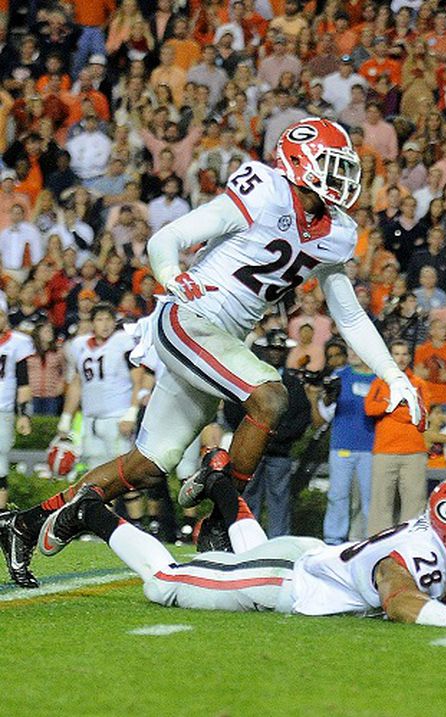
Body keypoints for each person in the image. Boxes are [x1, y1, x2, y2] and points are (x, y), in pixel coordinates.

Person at [1, 118, 424, 589]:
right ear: (298, 162)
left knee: (148, 464)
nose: (343, 177)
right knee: (271, 397)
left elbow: (348, 315)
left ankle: (24, 523)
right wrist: (170, 274)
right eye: (332, 164)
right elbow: (168, 238)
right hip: (190, 318)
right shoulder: (264, 189)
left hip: (219, 342)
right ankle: (221, 516)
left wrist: (392, 372)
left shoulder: (337, 232)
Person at [62, 472, 446, 628]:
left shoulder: (436, 547)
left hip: (305, 558)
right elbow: (401, 601)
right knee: (163, 583)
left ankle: (223, 484)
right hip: (285, 578)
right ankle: (92, 514)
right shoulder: (419, 555)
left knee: (255, 550)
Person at [226, 329, 317, 537]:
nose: (275, 353)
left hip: (279, 451)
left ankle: (279, 541)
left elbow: (302, 417)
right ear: (265, 351)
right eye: (272, 349)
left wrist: (273, 435)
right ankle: (247, 539)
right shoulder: (251, 378)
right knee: (248, 497)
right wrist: (251, 434)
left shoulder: (293, 383)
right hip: (253, 450)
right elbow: (233, 409)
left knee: (279, 499)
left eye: (279, 350)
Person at [59, 304, 145, 473]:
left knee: (123, 474)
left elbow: (138, 379)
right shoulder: (79, 345)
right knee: (95, 475)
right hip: (90, 418)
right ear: (92, 323)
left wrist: (132, 412)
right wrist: (66, 416)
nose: (104, 324)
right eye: (99, 319)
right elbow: (77, 383)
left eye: (108, 319)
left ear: (115, 322)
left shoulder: (122, 341)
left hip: (117, 417)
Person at [365, 340, 431, 533]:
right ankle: (377, 544)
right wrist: (397, 406)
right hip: (385, 450)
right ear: (391, 357)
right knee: (380, 502)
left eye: (404, 354)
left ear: (409, 357)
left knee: (414, 503)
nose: (401, 358)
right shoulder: (379, 383)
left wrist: (389, 407)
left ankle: (412, 544)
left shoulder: (419, 384)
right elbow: (370, 408)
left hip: (414, 451)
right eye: (396, 354)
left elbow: (419, 412)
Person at [318, 345, 377, 545]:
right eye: (349, 350)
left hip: (371, 448)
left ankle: (370, 540)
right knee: (338, 495)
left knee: (370, 499)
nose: (352, 353)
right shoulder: (338, 376)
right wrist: (327, 398)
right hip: (342, 446)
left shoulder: (379, 379)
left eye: (356, 349)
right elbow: (326, 414)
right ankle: (333, 539)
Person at [0, 315, 33, 512]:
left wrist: (23, 414)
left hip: (2, 410)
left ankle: (1, 516)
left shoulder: (17, 343)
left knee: (0, 464)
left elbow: (23, 382)